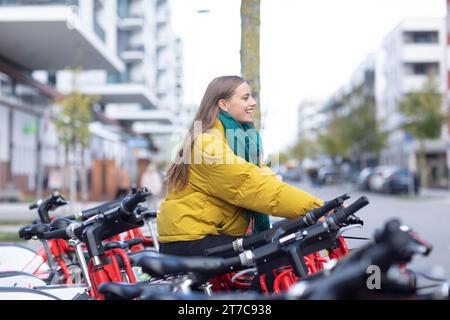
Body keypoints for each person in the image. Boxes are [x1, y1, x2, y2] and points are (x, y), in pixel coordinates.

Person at [157, 75, 324, 259]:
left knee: (286, 237)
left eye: (251, 97)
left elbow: (263, 179)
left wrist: (316, 207)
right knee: (274, 252)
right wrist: (315, 207)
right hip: (190, 240)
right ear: (224, 105)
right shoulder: (207, 144)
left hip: (207, 234)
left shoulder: (233, 142)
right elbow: (253, 186)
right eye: (245, 98)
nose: (252, 103)